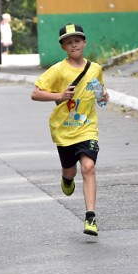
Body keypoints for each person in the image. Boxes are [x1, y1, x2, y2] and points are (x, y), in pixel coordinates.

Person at [31, 24, 109, 236]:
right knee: (71, 170)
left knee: (88, 167)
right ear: (63, 46)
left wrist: (103, 96)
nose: (74, 44)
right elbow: (35, 93)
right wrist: (59, 96)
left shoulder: (95, 69)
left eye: (77, 40)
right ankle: (67, 178)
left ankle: (90, 217)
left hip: (87, 128)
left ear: (84, 43)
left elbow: (99, 93)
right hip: (64, 131)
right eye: (69, 41)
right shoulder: (57, 70)